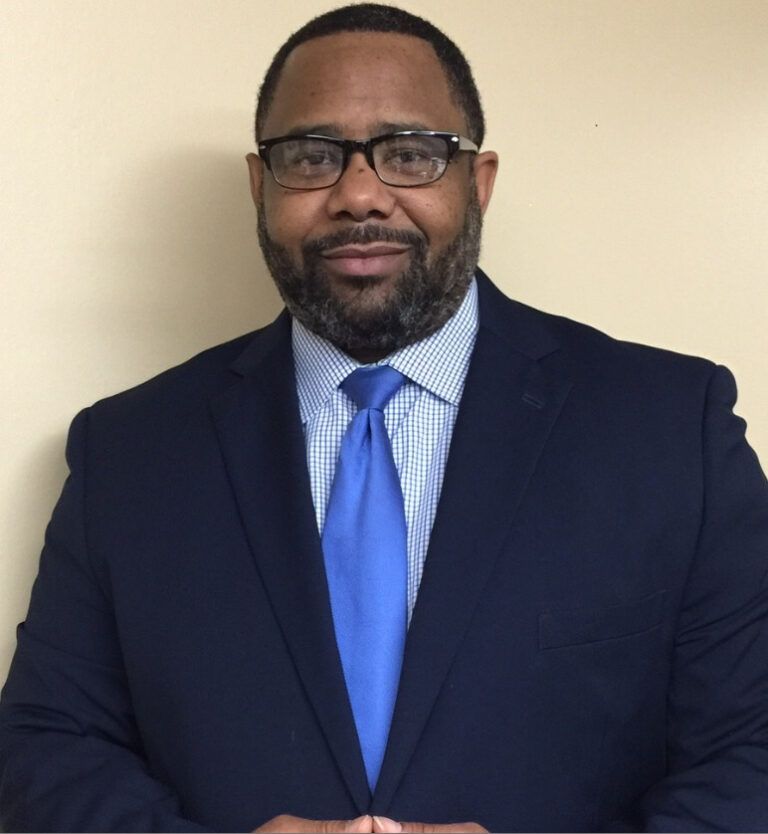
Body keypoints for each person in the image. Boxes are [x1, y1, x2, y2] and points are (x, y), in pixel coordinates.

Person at [1, 3, 767, 831]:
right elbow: (48, 744)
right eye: (310, 156)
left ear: (478, 183)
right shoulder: (129, 451)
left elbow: (751, 746)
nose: (359, 194)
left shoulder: (669, 429)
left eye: (410, 154)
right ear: (261, 186)